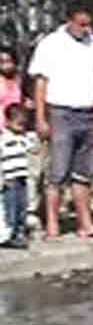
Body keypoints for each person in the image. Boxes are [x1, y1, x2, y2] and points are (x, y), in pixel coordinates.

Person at [28, 7, 93, 241]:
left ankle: (85, 223)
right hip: (61, 113)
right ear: (69, 21)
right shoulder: (51, 44)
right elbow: (40, 82)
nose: (86, 29)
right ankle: (52, 225)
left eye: (89, 24)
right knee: (57, 172)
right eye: (81, 24)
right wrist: (40, 117)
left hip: (89, 115)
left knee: (84, 174)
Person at [1, 103, 31, 248]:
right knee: (10, 207)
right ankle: (8, 234)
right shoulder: (4, 139)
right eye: (18, 124)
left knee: (22, 206)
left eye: (24, 124)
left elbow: (31, 148)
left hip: (22, 177)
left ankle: (20, 231)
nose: (21, 128)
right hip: (9, 178)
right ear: (8, 122)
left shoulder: (23, 138)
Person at [0, 45, 24, 131]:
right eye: (2, 62)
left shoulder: (19, 81)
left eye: (9, 61)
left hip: (17, 127)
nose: (5, 66)